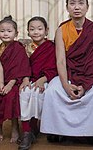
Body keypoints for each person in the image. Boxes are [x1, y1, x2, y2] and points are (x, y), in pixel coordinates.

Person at [40, 0, 93, 146]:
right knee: (53, 91)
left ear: (87, 7)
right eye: (72, 3)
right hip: (69, 73)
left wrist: (85, 85)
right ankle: (56, 131)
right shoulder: (62, 30)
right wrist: (66, 85)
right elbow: (60, 61)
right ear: (67, 7)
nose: (77, 7)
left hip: (90, 75)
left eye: (81, 3)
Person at [0, 16, 31, 143]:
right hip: (2, 79)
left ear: (16, 33)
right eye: (2, 31)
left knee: (11, 96)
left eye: (9, 31)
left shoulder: (19, 48)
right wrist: (0, 84)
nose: (5, 34)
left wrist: (10, 84)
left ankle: (15, 127)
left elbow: (20, 69)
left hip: (15, 80)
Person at [18, 16, 57, 150]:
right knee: (24, 92)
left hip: (44, 79)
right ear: (28, 32)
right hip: (28, 79)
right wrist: (25, 78)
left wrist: (43, 79)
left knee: (37, 93)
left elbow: (54, 67)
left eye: (40, 29)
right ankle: (26, 131)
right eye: (32, 29)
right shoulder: (25, 48)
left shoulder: (51, 47)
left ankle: (33, 127)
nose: (36, 32)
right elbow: (22, 66)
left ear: (46, 31)